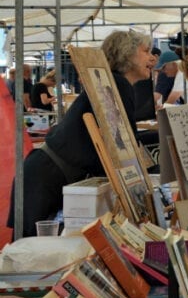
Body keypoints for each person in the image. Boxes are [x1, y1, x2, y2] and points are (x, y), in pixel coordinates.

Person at [7, 30, 156, 238]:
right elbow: (125, 144)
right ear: (127, 54)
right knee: (26, 256)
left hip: (43, 173)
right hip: (44, 179)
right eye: (146, 51)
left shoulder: (112, 82)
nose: (152, 57)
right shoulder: (116, 84)